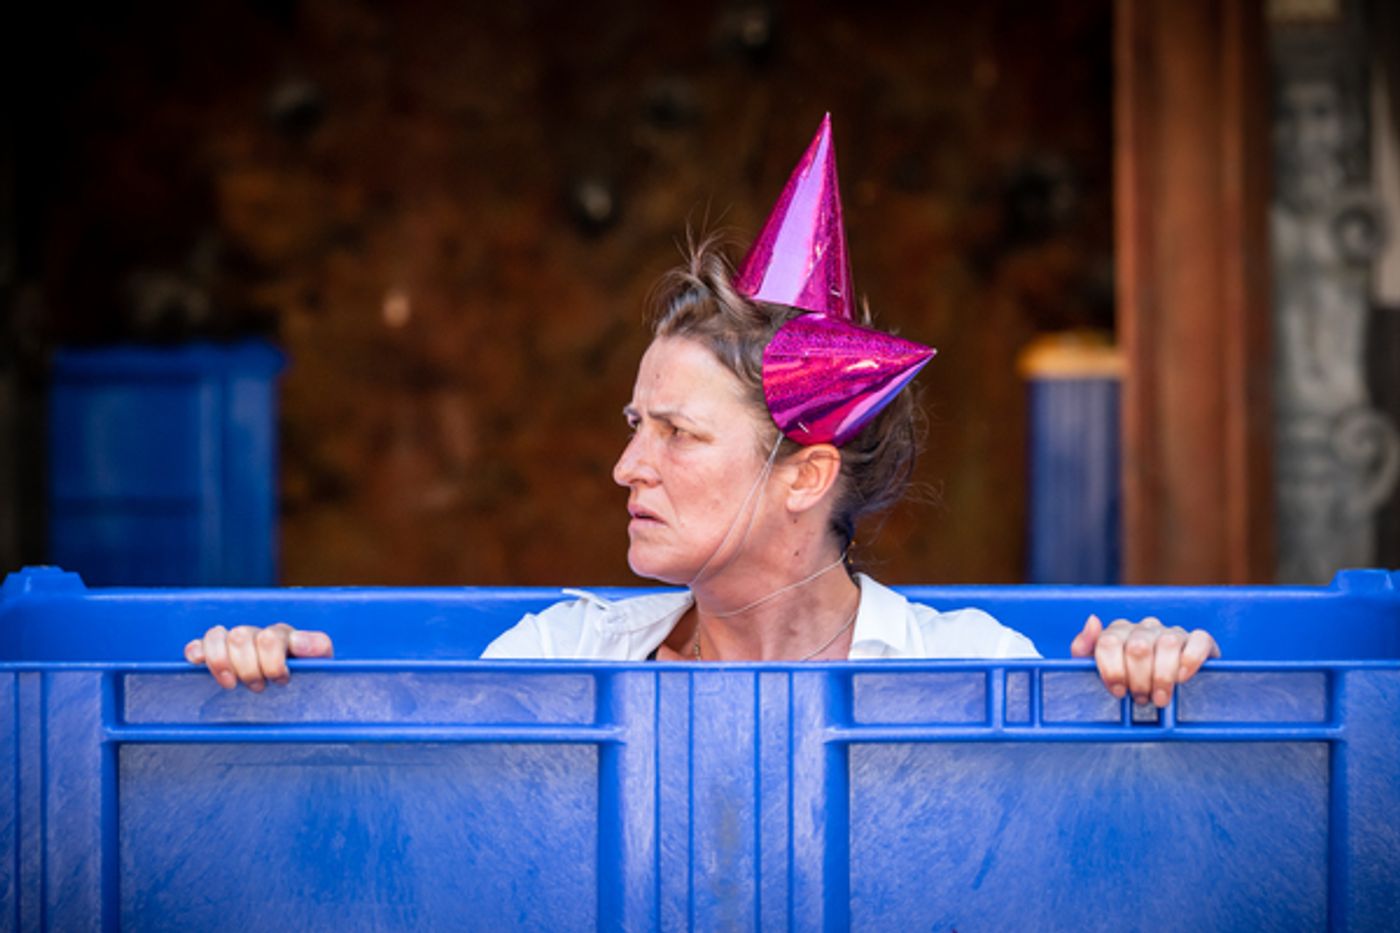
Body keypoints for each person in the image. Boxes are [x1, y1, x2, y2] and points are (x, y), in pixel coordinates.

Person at [186, 115, 1218, 706]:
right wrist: (274, 695)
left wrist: (1143, 681)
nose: (628, 468)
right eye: (637, 426)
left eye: (677, 433)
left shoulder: (972, 675)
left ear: (804, 475)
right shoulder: (555, 662)